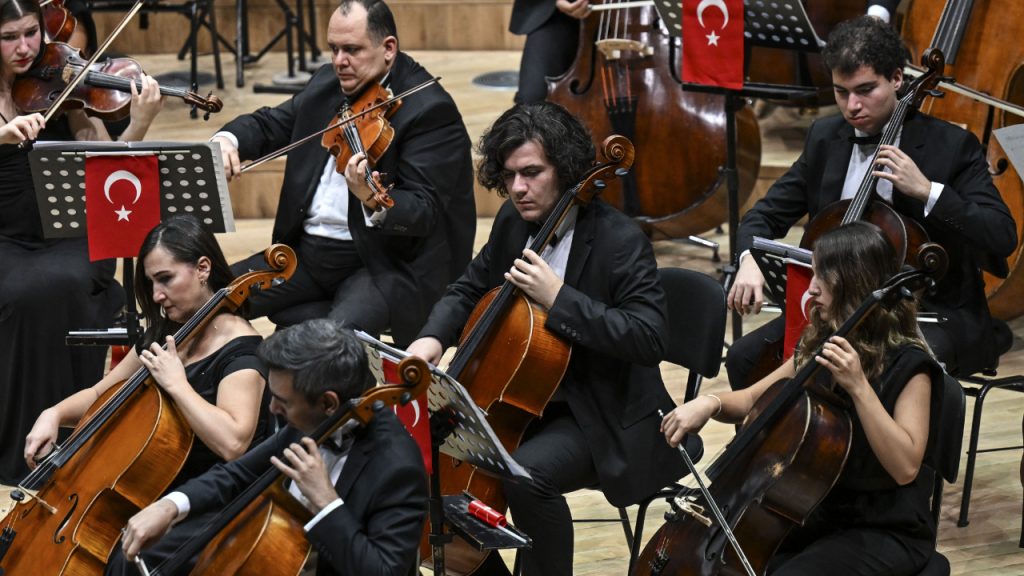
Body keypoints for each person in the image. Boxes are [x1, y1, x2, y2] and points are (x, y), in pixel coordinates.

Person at [406, 101, 686, 576]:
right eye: (510, 174)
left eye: (532, 172)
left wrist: (560, 299)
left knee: (526, 475)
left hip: (602, 411)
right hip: (523, 400)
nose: (518, 188)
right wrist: (431, 339)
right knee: (422, 453)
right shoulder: (515, 224)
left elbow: (648, 337)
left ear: (567, 168)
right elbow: (469, 287)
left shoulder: (621, 241)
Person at [726, 15, 1017, 388]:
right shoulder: (825, 138)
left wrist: (927, 190)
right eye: (841, 92)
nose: (852, 106)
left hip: (928, 313)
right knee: (744, 359)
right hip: (837, 311)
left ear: (897, 78)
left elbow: (1001, 235)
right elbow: (763, 215)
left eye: (865, 90)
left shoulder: (951, 146)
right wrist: (749, 258)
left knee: (879, 373)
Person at [663, 221, 944, 575]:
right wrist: (709, 404)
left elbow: (905, 468)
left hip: (885, 527)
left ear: (850, 284)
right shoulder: (824, 341)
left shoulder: (910, 365)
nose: (810, 289)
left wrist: (859, 386)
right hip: (818, 510)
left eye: (820, 278)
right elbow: (753, 399)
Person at [215, 0, 475, 347]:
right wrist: (227, 140)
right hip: (304, 254)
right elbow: (271, 124)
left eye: (351, 50)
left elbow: (424, 210)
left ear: (388, 49)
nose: (339, 61)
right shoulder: (329, 83)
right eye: (334, 49)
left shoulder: (430, 109)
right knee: (209, 300)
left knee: (330, 348)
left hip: (377, 263)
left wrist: (372, 198)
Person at [116, 319, 428, 576]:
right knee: (131, 557)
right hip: (264, 548)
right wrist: (170, 505)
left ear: (329, 403)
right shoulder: (308, 421)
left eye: (283, 400)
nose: (273, 409)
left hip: (314, 565)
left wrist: (326, 502)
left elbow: (386, 571)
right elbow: (236, 475)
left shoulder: (397, 465)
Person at [0, 0, 164, 484]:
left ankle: (72, 437)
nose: (26, 47)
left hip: (68, 234)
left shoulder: (58, 85)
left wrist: (139, 122)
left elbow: (109, 163)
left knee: (69, 281)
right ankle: (19, 445)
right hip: (5, 240)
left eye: (32, 32)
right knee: (20, 295)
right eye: (10, 37)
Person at [24, 215, 272, 490]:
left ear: (203, 269)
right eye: (151, 282)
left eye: (165, 279)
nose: (156, 296)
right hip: (151, 489)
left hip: (213, 497)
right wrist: (54, 413)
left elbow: (233, 444)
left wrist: (178, 385)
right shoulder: (165, 333)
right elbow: (101, 395)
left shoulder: (242, 353)